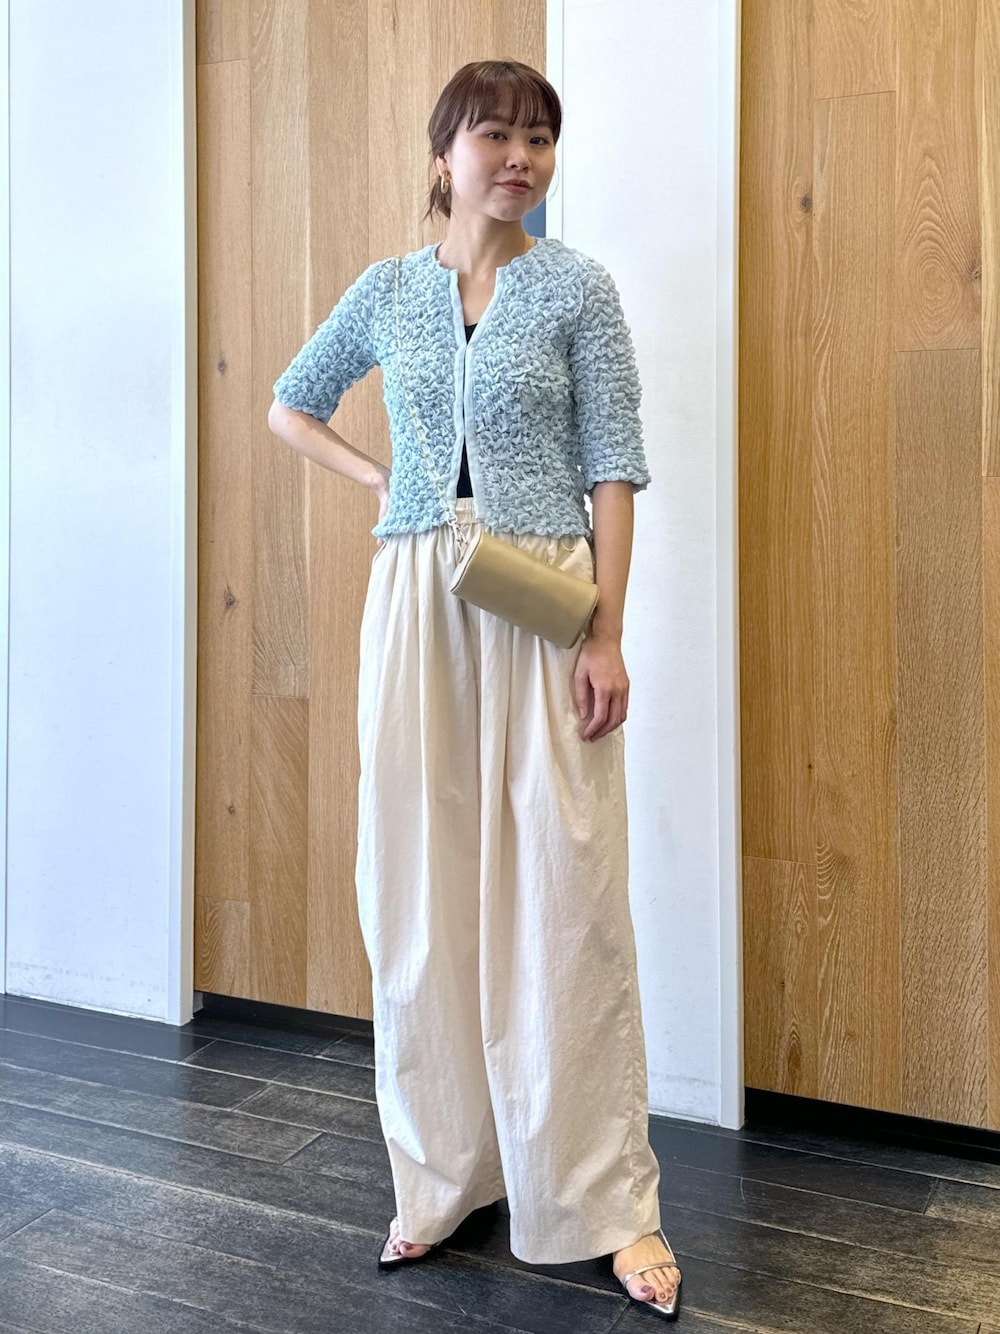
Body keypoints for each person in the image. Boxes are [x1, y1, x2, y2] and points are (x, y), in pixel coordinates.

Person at [268, 58, 682, 1321]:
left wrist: (605, 631)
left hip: (542, 588)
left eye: (539, 137)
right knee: (417, 884)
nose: (520, 157)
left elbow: (614, 464)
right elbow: (291, 405)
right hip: (417, 590)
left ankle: (607, 1202)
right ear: (442, 152)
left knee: (566, 887)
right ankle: (443, 1175)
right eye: (495, 133)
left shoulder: (576, 287)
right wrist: (388, 486)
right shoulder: (389, 290)